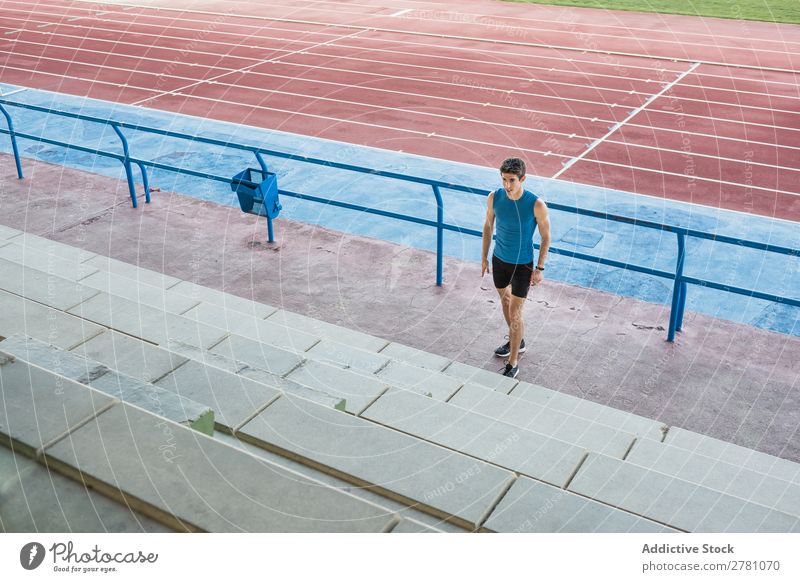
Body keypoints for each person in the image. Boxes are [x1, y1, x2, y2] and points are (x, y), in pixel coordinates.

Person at [481, 158, 551, 378]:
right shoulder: (495, 197)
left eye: (511, 180)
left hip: (522, 265)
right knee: (505, 302)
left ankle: (513, 361)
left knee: (515, 312)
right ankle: (516, 341)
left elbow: (546, 236)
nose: (507, 185)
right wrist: (484, 257)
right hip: (499, 260)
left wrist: (539, 268)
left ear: (522, 179)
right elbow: (488, 226)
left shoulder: (536, 204)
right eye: (503, 179)